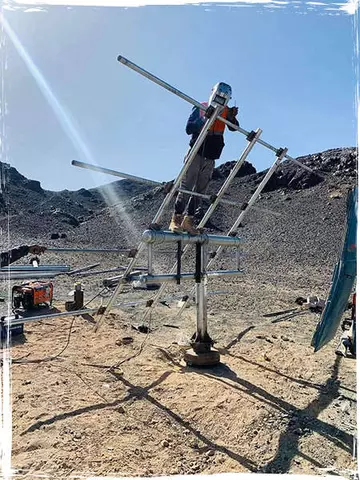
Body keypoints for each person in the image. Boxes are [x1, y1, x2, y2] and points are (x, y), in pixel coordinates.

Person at [169, 101, 239, 235]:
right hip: (196, 152)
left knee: (201, 190)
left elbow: (234, 128)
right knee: (187, 186)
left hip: (211, 156)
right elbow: (189, 128)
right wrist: (204, 118)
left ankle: (188, 221)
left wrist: (232, 117)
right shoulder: (201, 106)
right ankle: (176, 219)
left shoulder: (226, 110)